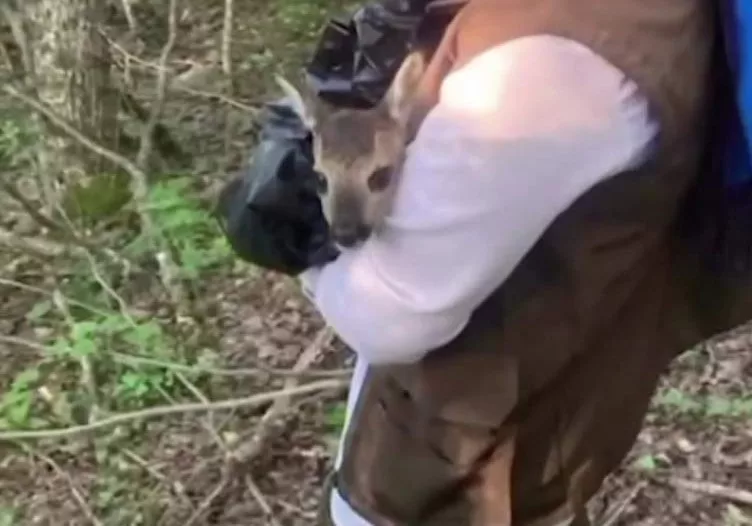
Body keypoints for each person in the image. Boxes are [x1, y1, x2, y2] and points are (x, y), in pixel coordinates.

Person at [218, 0, 752, 524]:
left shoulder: (547, 59)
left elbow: (391, 311)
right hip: (510, 437)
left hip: (461, 478)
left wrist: (295, 252)